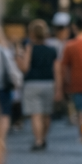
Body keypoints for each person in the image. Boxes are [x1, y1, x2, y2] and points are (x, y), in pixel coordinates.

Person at [19, 20, 58, 152]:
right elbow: (57, 70)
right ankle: (44, 137)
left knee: (36, 113)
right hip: (48, 82)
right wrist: (59, 88)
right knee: (47, 113)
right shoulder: (52, 50)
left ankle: (38, 140)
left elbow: (25, 67)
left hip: (32, 83)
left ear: (32, 33)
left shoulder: (30, 48)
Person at [57, 15, 82, 133]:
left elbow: (63, 68)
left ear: (74, 27)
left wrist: (63, 86)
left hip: (76, 84)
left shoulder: (70, 46)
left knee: (81, 113)